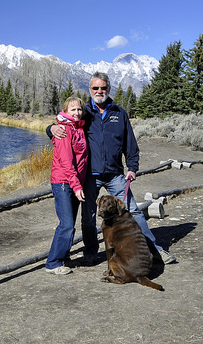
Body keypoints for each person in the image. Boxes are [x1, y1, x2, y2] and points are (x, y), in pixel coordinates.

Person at [47, 71, 176, 265]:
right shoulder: (84, 112)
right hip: (90, 175)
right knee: (89, 217)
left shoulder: (119, 113)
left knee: (132, 211)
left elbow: (130, 144)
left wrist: (132, 167)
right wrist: (50, 129)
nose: (100, 91)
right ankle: (90, 251)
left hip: (115, 174)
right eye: (95, 88)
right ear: (90, 90)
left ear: (109, 89)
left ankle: (155, 249)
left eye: (103, 88)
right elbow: (65, 122)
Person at [45, 97, 88, 275]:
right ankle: (53, 263)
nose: (77, 113)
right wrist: (77, 186)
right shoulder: (64, 131)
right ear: (65, 111)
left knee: (70, 223)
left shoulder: (79, 128)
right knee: (67, 224)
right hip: (64, 182)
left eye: (79, 109)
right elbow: (66, 162)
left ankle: (64, 256)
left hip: (74, 182)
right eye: (73, 110)